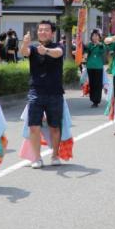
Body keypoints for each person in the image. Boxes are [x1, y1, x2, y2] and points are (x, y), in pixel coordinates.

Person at [22, 21, 66, 168]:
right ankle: (37, 158)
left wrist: (45, 51)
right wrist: (25, 43)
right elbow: (24, 52)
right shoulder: (33, 49)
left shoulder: (58, 46)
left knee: (54, 126)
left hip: (55, 92)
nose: (42, 32)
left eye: (46, 30)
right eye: (40, 30)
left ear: (52, 33)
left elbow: (58, 54)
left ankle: (55, 155)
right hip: (36, 92)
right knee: (34, 126)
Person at [82, 29, 106, 106]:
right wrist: (85, 54)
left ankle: (97, 100)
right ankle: (92, 99)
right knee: (92, 84)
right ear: (91, 37)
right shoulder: (89, 45)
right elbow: (85, 51)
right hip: (90, 66)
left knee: (98, 84)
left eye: (96, 36)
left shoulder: (101, 45)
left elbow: (103, 50)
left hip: (98, 67)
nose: (95, 37)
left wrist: (99, 44)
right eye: (93, 36)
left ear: (99, 37)